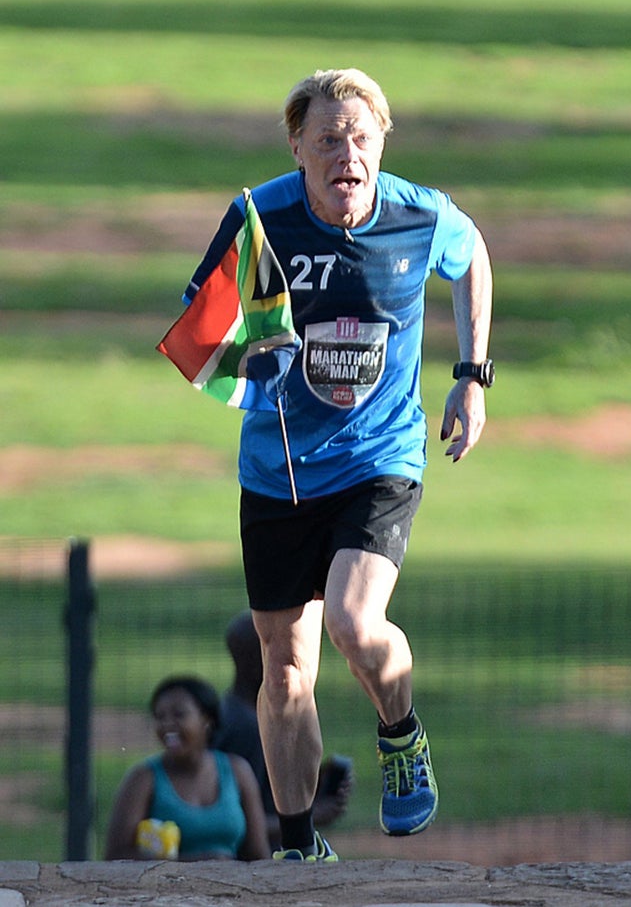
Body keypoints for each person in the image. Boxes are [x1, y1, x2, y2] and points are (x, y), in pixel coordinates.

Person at [184, 68, 493, 861]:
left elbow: (473, 258)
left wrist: (471, 375)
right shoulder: (261, 216)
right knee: (284, 669)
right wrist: (241, 344)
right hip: (279, 468)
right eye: (326, 139)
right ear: (298, 148)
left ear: (382, 143)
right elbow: (210, 323)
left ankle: (401, 734)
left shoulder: (419, 217)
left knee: (357, 621)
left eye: (359, 137)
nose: (344, 153)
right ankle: (297, 845)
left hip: (380, 455)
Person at [213, 612, 353, 850]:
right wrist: (309, 817)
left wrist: (311, 783)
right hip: (257, 859)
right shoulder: (249, 728)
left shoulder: (229, 710)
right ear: (260, 657)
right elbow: (236, 820)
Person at [104, 676, 270, 861]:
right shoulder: (144, 779)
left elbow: (258, 853)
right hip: (164, 888)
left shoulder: (237, 771)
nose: (167, 724)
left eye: (179, 715)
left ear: (206, 720)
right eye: (160, 717)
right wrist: (196, 863)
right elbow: (115, 856)